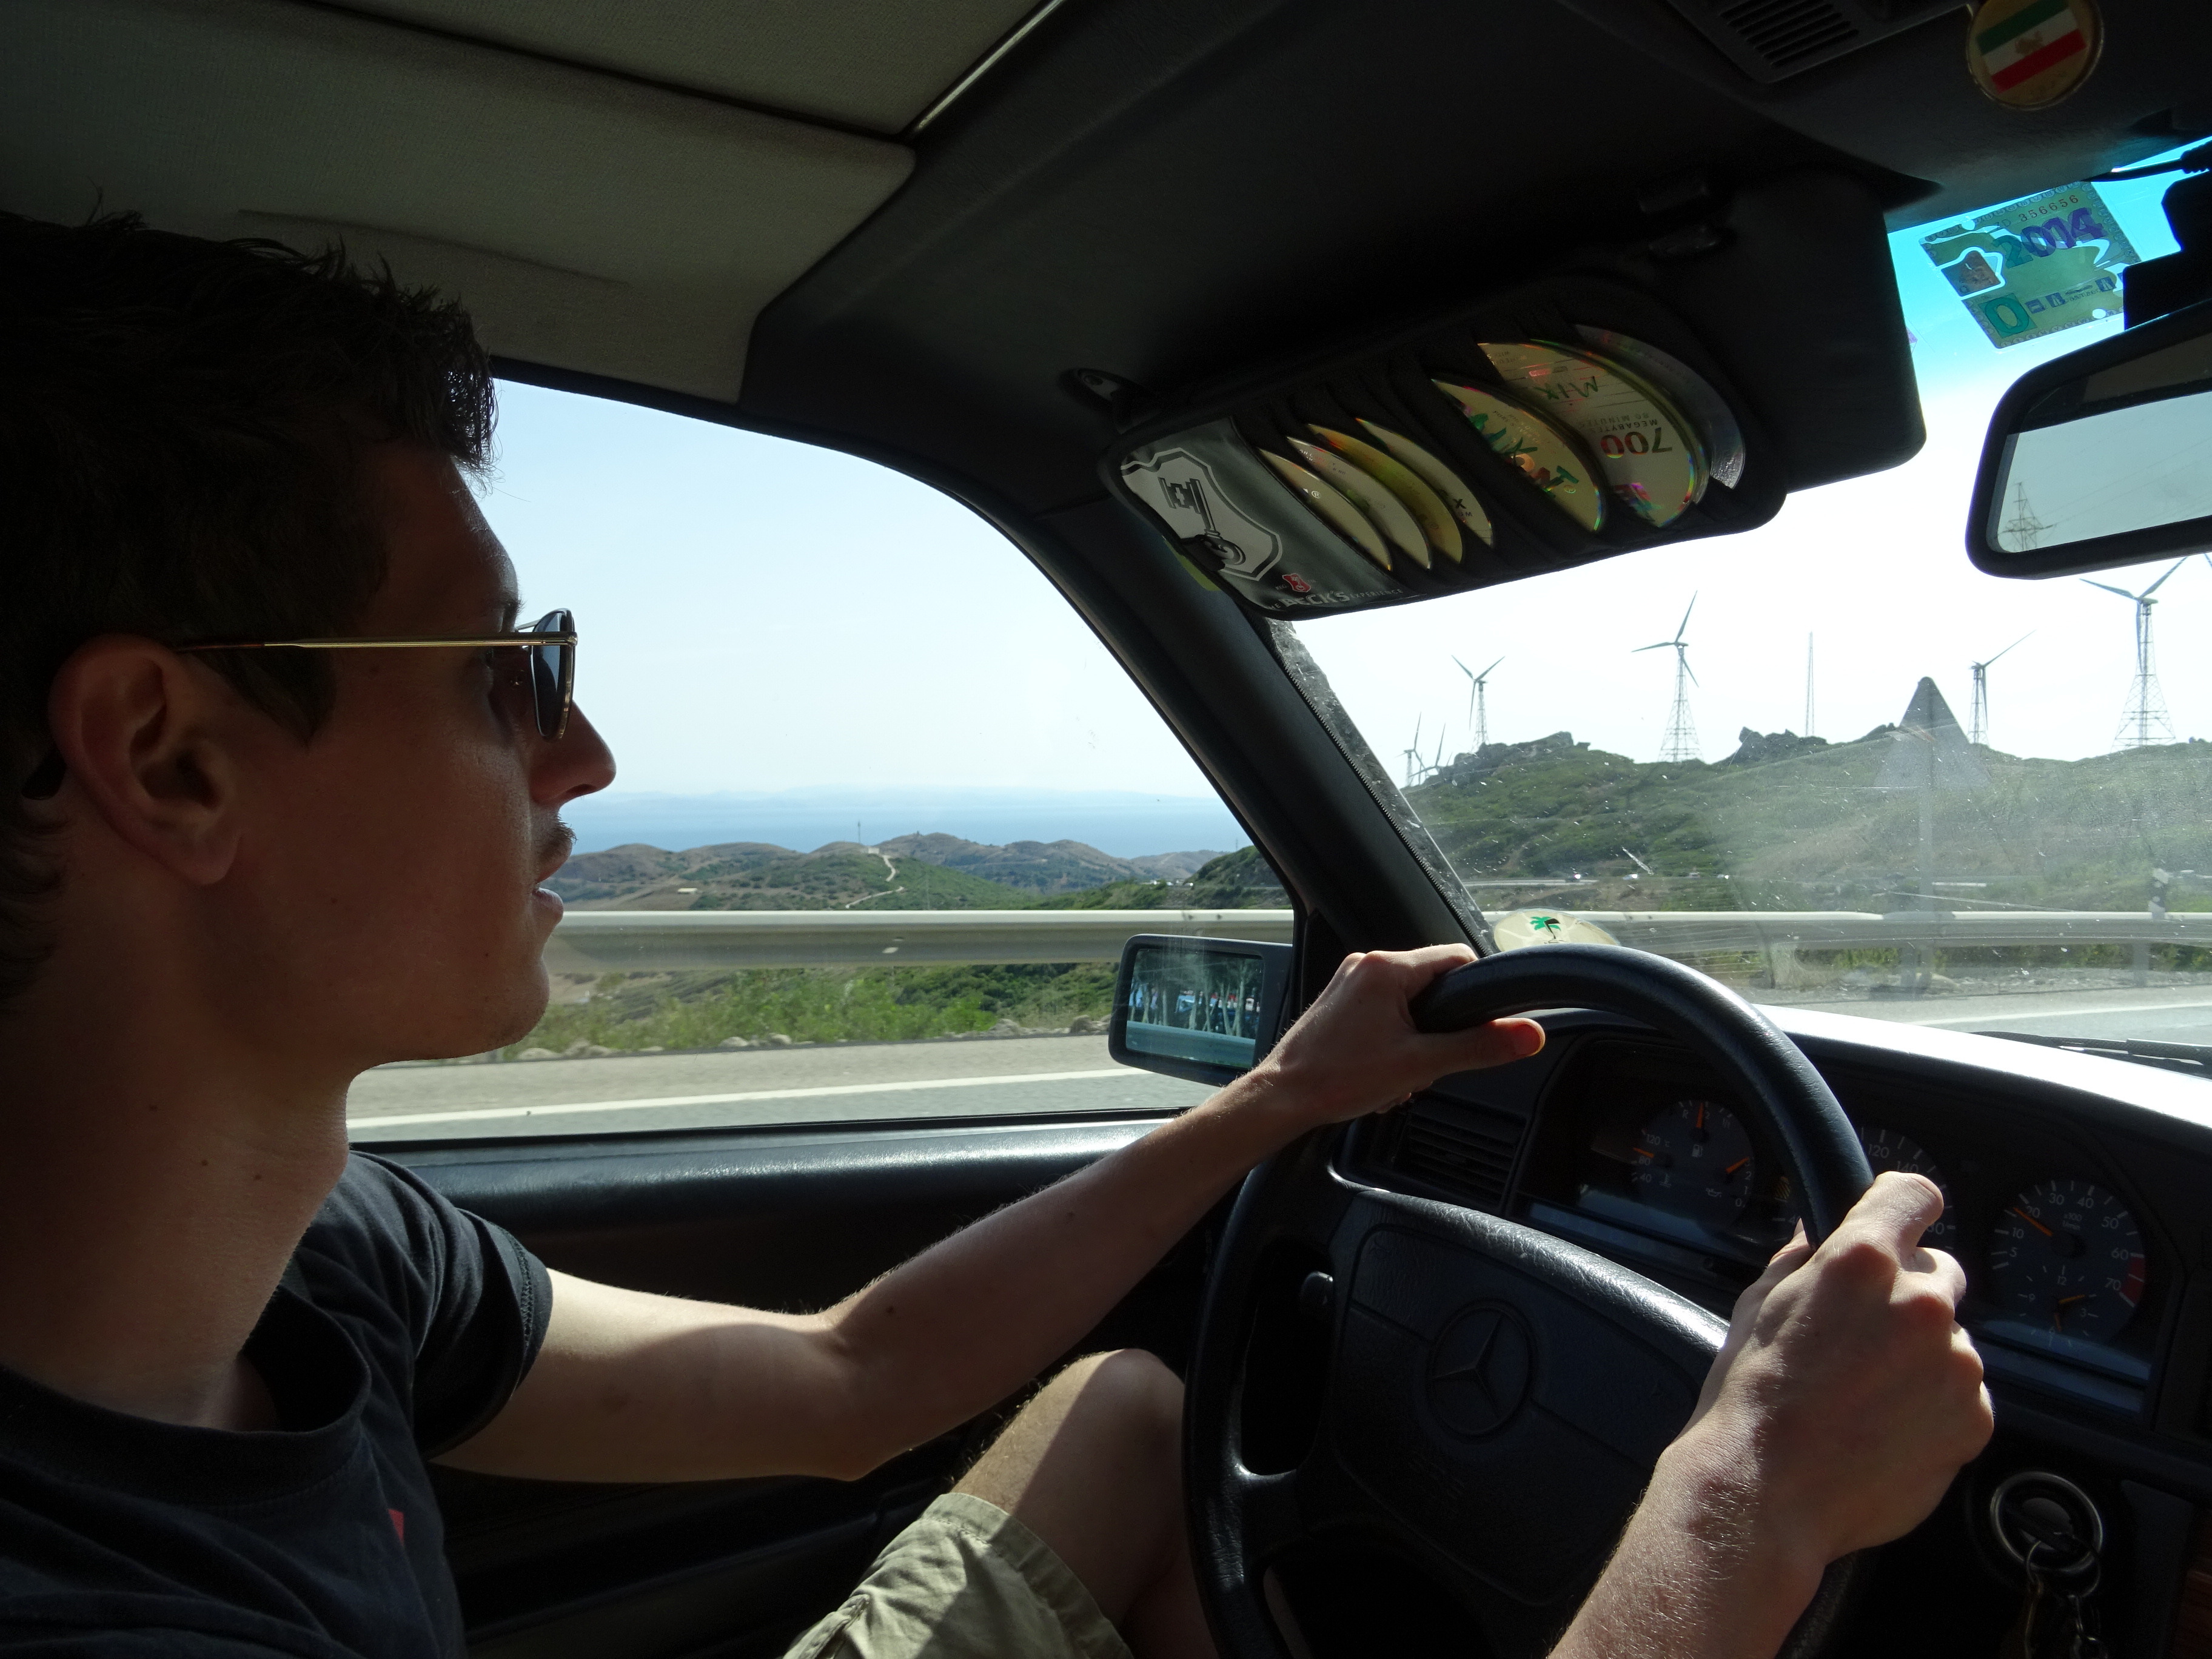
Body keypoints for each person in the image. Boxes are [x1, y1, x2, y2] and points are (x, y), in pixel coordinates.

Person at [0, 212, 1994, 1659]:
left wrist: (1276, 1105)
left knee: (1125, 1419)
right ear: (171, 762)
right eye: (506, 674)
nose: (585, 755)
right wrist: (1747, 1505)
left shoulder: (310, 1256)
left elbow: (848, 1376)